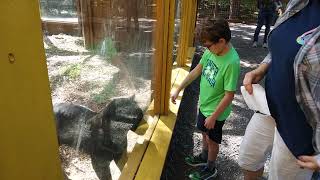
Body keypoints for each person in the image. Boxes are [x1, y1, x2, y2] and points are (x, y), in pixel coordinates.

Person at [239, 0, 320, 179]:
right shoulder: (299, 2)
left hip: (299, 127)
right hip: (269, 106)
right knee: (248, 160)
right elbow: (282, 46)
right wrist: (262, 68)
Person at [171, 19, 240, 179]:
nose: (206, 49)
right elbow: (196, 70)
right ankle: (203, 156)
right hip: (205, 105)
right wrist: (178, 89)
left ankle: (210, 167)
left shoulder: (231, 62)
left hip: (216, 112)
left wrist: (213, 117)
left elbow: (229, 96)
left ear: (221, 41)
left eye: (208, 45)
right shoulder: (212, 51)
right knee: (204, 133)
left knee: (212, 140)